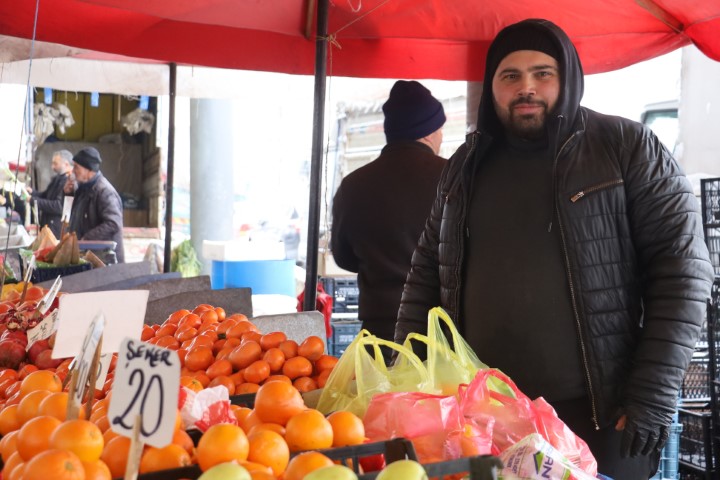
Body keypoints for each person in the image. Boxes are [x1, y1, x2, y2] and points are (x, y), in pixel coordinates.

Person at [393, 18, 714, 479]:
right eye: (511, 75)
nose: (527, 87)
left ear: (567, 79)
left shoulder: (626, 147)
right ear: (493, 87)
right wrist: (408, 380)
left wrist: (654, 389)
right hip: (486, 420)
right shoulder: (465, 164)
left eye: (543, 73)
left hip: (602, 416)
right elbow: (425, 273)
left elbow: (683, 271)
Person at [331, 80, 447, 345]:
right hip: (441, 335)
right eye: (440, 130)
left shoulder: (353, 185)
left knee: (380, 389)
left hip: (378, 334)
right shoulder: (453, 178)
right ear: (429, 132)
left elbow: (343, 256)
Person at [64, 147, 125, 263]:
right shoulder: (82, 189)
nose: (73, 171)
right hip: (88, 256)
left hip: (104, 261)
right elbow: (73, 214)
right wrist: (69, 194)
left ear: (89, 170)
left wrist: (86, 239)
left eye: (77, 167)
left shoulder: (105, 192)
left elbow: (113, 223)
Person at [26, 149, 74, 237]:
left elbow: (59, 206)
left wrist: (34, 201)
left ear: (66, 164)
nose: (52, 167)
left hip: (56, 229)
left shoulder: (69, 182)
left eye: (55, 163)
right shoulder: (58, 178)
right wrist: (33, 193)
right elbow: (46, 195)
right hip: (48, 225)